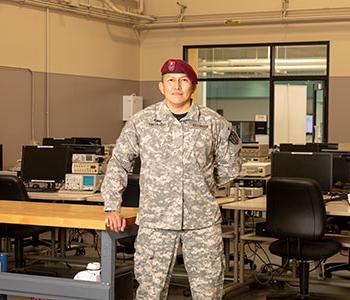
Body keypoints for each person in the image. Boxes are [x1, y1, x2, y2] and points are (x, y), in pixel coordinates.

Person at [102, 58, 241, 300]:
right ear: (161, 86)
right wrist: (112, 206)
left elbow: (231, 165)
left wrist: (202, 183)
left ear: (193, 86)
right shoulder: (142, 122)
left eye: (184, 80)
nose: (177, 86)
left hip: (202, 223)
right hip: (156, 222)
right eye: (171, 80)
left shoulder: (213, 123)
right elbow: (118, 162)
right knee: (149, 293)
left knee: (209, 293)